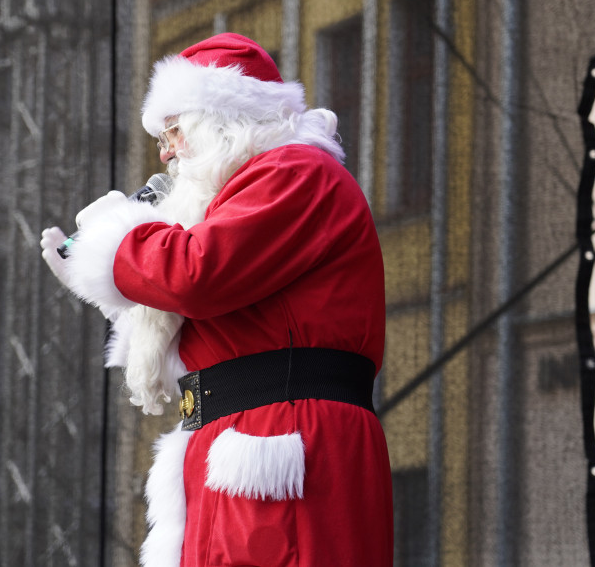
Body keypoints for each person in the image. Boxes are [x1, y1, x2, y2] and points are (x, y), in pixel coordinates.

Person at [41, 33, 392, 567]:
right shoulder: (260, 184)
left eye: (173, 130)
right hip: (242, 440)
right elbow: (220, 317)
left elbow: (197, 273)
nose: (164, 153)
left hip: (282, 441)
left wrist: (117, 240)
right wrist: (107, 282)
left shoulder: (297, 172)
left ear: (220, 119)